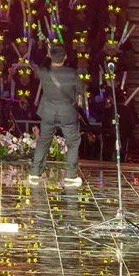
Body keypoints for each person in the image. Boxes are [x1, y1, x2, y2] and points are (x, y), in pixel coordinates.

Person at [28, 43, 84, 187]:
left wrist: (48, 56)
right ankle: (71, 175)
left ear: (50, 56)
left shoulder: (43, 71)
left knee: (43, 142)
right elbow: (81, 91)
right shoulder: (72, 73)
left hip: (48, 112)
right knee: (73, 143)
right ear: (65, 57)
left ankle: (35, 173)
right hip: (67, 113)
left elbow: (38, 63)